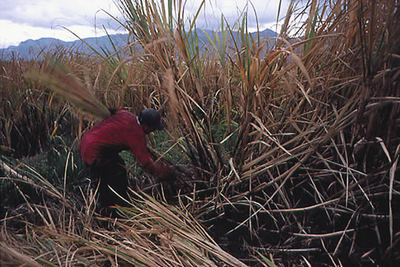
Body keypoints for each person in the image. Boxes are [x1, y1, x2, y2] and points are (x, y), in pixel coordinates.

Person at [79, 108, 175, 208]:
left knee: (118, 167)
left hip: (87, 141)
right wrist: (165, 173)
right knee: (113, 179)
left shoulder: (127, 115)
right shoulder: (135, 133)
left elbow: (115, 111)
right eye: (153, 128)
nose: (153, 131)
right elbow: (146, 164)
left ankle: (111, 202)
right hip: (95, 151)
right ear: (146, 126)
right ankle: (114, 209)